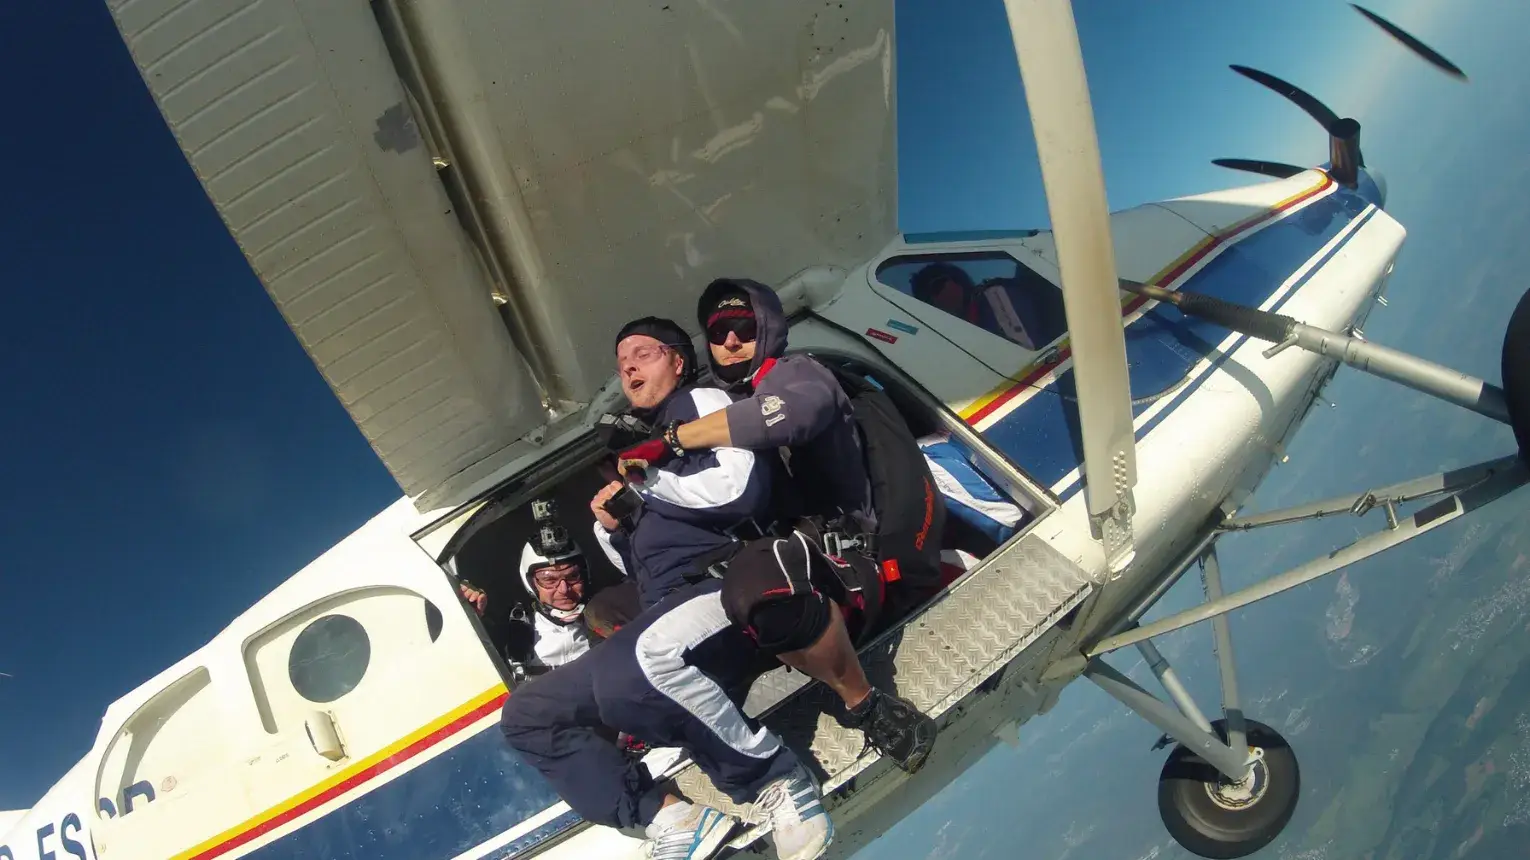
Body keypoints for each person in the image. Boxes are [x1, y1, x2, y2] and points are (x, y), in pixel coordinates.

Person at [501, 317, 833, 860]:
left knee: (633, 668)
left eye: (643, 354)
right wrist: (616, 528)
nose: (628, 368)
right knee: (528, 714)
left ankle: (776, 781)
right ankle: (671, 817)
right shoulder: (647, 446)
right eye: (621, 363)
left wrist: (648, 483)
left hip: (726, 585)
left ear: (678, 361)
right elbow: (645, 567)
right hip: (668, 607)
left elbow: (740, 489)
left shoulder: (698, 404)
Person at [613, 279, 941, 775]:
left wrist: (672, 443)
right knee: (622, 620)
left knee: (755, 578)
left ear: (766, 326)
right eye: (717, 332)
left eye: (742, 326)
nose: (730, 340)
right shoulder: (726, 403)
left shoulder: (797, 374)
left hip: (845, 561)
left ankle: (873, 709)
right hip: (795, 564)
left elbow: (785, 417)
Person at [909, 262, 1067, 351]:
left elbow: (1026, 351)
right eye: (927, 300)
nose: (936, 299)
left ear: (956, 279)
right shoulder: (968, 327)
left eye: (937, 287)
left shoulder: (995, 296)